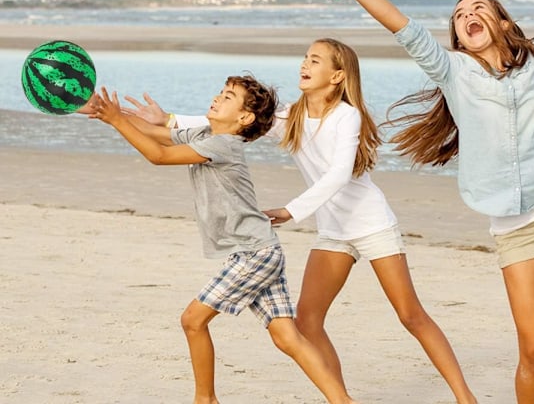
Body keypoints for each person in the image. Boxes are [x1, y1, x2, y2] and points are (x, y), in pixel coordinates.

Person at [124, 39, 477, 404]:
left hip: (372, 224)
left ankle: (466, 398)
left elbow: (339, 173)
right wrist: (169, 120)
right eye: (305, 58)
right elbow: (241, 120)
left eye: (315, 60)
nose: (304, 65)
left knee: (410, 315)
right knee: (307, 322)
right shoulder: (291, 117)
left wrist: (292, 211)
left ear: (337, 76)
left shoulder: (346, 115)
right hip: (333, 232)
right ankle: (340, 399)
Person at [353, 0, 534, 404]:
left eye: (478, 8)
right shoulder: (450, 70)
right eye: (459, 14)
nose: (467, 15)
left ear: (502, 23)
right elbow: (401, 24)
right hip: (517, 227)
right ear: (458, 35)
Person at [87, 76, 357, 404]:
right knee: (287, 338)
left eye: (228, 97)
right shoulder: (206, 134)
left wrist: (117, 119)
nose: (217, 98)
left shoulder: (223, 145)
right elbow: (157, 134)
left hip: (253, 254)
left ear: (244, 119)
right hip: (261, 249)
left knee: (192, 320)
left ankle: (205, 400)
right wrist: (102, 111)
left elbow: (158, 155)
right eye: (220, 92)